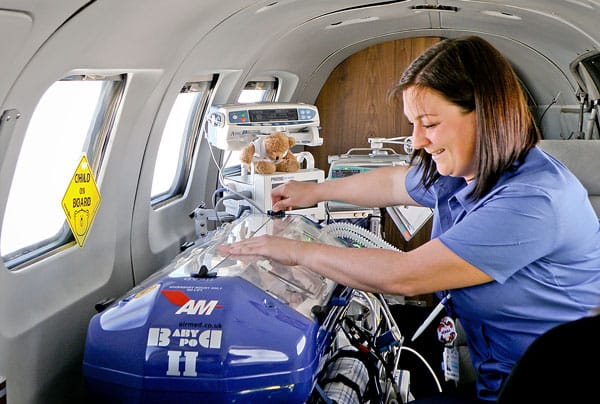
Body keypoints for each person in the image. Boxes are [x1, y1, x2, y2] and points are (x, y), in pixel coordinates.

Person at [218, 36, 600, 402]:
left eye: (429, 124)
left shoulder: (533, 200)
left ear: (487, 115)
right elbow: (395, 180)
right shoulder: (466, 169)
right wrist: (314, 192)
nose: (417, 139)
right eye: (413, 123)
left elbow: (406, 274)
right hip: (495, 382)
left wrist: (295, 251)